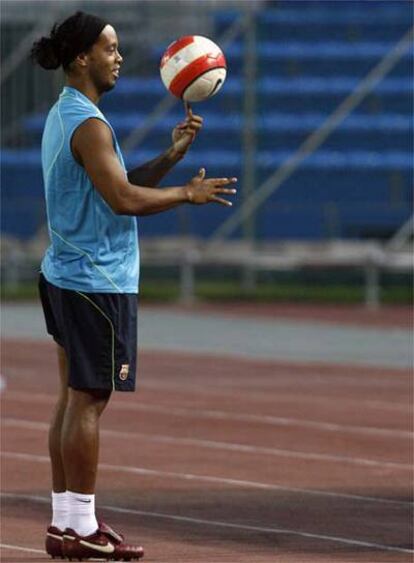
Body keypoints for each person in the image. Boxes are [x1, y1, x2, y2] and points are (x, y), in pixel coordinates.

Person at [31, 11, 236, 561]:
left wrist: (171, 158)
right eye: (110, 48)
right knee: (89, 399)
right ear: (82, 58)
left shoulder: (69, 115)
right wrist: (186, 196)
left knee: (72, 398)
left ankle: (66, 523)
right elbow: (123, 201)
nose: (119, 57)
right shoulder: (90, 125)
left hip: (68, 272)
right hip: (95, 281)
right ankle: (81, 526)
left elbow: (114, 187)